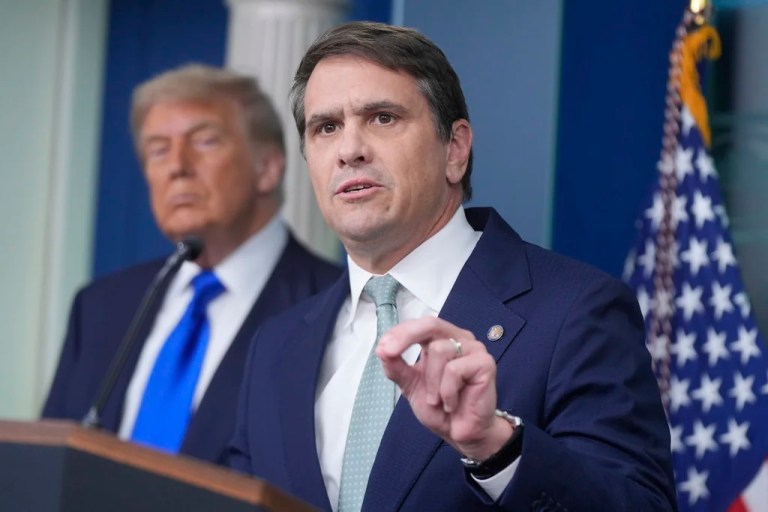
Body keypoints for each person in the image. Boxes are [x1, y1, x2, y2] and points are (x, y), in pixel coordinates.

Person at [229, 22, 677, 511]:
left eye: (382, 118)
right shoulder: (275, 347)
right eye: (326, 127)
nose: (348, 149)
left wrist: (495, 447)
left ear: (455, 150)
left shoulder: (576, 311)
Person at [43, 64, 341, 465]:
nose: (177, 166)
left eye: (204, 141)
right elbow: (49, 465)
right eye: (158, 149)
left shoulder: (334, 304)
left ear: (267, 167)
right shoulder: (99, 307)